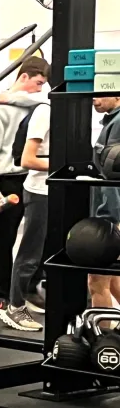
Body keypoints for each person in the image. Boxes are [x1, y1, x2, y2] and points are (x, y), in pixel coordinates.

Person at [0, 57, 49, 314]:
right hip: (5, 180)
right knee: (4, 240)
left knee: (35, 241)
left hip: (30, 178)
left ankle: (26, 291)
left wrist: (14, 97)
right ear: (23, 76)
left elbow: (50, 100)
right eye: (37, 83)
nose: (39, 89)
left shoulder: (34, 106)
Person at [2, 93, 52, 332]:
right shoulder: (45, 110)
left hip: (59, 190)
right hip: (39, 191)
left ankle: (32, 295)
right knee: (30, 252)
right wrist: (63, 164)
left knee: (50, 253)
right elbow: (27, 159)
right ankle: (15, 307)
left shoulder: (70, 110)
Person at [89, 95, 120, 309]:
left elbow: (114, 174)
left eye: (100, 94)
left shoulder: (118, 123)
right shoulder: (111, 121)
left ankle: (104, 340)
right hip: (108, 213)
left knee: (96, 281)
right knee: (113, 280)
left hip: (111, 217)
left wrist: (111, 223)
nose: (94, 99)